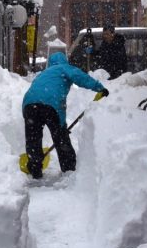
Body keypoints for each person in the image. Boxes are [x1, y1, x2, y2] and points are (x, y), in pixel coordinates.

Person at [22, 51, 108, 179]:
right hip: (51, 104)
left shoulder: (43, 73)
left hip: (29, 104)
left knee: (33, 138)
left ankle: (34, 167)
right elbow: (81, 77)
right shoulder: (64, 68)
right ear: (64, 60)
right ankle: (69, 169)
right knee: (60, 137)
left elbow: (37, 90)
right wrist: (99, 88)